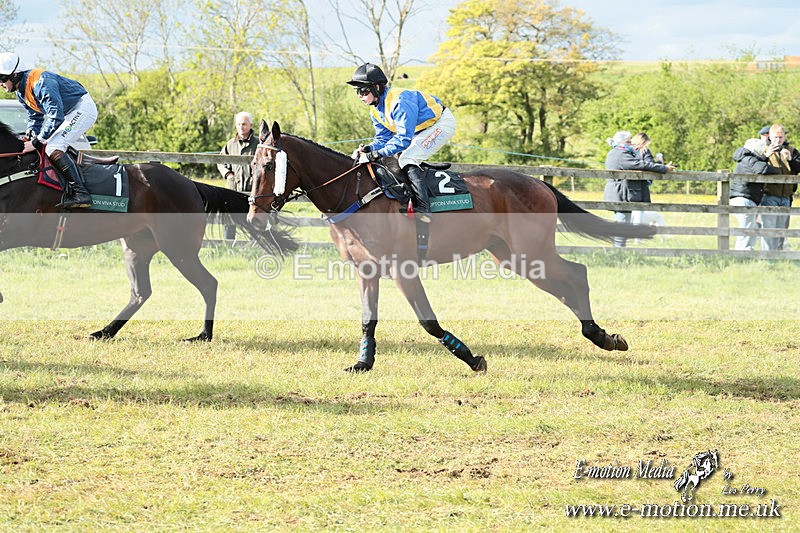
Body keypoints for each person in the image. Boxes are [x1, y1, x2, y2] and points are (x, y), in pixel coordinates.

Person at [346, 62, 455, 223]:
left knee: (407, 158)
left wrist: (375, 154)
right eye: (357, 92)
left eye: (363, 91)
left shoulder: (399, 101)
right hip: (421, 129)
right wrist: (369, 149)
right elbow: (383, 138)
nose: (360, 96)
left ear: (377, 87)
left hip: (440, 124)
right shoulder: (375, 109)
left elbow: (403, 140)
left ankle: (424, 209)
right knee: (397, 158)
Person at [0, 52, 97, 209]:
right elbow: (35, 116)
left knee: (53, 147)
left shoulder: (41, 83)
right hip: (69, 112)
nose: (0, 83)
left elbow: (55, 117)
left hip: (82, 108)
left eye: (2, 78)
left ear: (15, 75)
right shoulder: (21, 93)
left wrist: (37, 142)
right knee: (46, 144)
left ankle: (81, 193)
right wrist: (31, 134)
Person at [604, 130, 674, 247]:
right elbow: (640, 165)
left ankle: (619, 250)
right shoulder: (621, 154)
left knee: (622, 224)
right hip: (621, 194)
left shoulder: (615, 152)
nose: (631, 143)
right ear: (623, 142)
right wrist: (663, 168)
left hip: (618, 192)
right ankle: (618, 252)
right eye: (628, 141)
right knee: (622, 225)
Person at [217, 111, 258, 240]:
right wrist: (228, 174)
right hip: (233, 189)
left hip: (252, 189)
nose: (241, 127)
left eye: (244, 124)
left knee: (253, 219)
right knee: (230, 219)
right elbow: (220, 162)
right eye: (239, 124)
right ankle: (229, 245)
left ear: (251, 125)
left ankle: (254, 246)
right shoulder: (230, 144)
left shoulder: (258, 144)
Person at [759, 124, 800, 251]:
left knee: (782, 227)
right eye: (775, 137)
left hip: (786, 195)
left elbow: (798, 168)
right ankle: (767, 256)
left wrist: (790, 159)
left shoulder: (792, 150)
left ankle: (778, 255)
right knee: (769, 227)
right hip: (769, 194)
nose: (778, 140)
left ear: (784, 137)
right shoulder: (763, 148)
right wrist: (766, 156)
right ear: (770, 137)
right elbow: (755, 167)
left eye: (780, 137)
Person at [730, 138, 776, 251]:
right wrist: (777, 170)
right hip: (744, 197)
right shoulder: (749, 159)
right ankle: (742, 252)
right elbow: (763, 168)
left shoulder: (746, 158)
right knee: (747, 227)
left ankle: (746, 251)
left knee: (750, 226)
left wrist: (764, 158)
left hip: (742, 197)